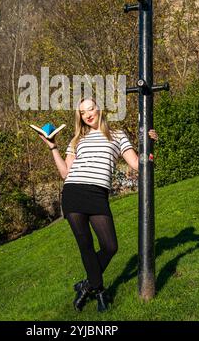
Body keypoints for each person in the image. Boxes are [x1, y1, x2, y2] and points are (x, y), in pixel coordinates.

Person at [38, 96, 158, 312]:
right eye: (83, 112)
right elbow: (66, 173)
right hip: (74, 192)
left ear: (99, 109)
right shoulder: (77, 140)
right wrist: (52, 147)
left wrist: (150, 144)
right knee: (86, 246)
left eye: (91, 109)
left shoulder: (118, 135)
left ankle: (87, 286)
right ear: (80, 117)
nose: (88, 114)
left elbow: (137, 165)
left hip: (97, 195)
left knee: (110, 246)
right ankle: (100, 292)